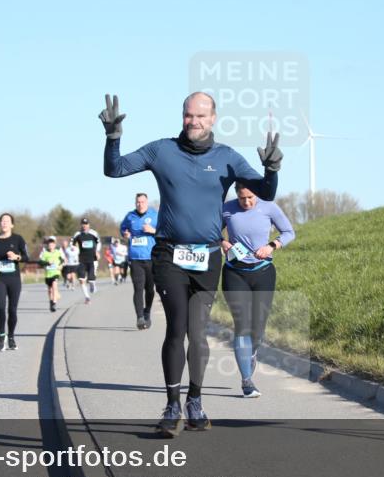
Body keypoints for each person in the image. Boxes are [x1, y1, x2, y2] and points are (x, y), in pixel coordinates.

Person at [102, 91, 282, 437]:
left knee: (198, 333)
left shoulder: (228, 158)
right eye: (188, 115)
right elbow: (115, 169)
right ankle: (172, 406)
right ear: (182, 116)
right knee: (177, 327)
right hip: (169, 254)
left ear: (213, 118)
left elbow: (266, 191)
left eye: (200, 116)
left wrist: (271, 169)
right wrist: (113, 138)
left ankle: (195, 401)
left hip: (208, 257)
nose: (194, 121)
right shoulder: (162, 150)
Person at [220, 184, 295, 398]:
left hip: (263, 272)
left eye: (250, 197)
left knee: (258, 329)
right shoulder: (227, 209)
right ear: (237, 195)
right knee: (242, 325)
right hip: (235, 273)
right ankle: (247, 381)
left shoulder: (269, 207)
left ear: (257, 194)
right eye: (242, 198)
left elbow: (289, 232)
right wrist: (223, 241)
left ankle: (252, 351)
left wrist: (271, 246)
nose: (246, 202)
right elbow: (210, 231)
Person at [0, 212, 28, 351]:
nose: (4, 223)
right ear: (0, 224)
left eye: (7, 221)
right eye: (2, 221)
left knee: (12, 310)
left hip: (14, 279)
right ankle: (1, 335)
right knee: (0, 307)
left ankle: (11, 336)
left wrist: (17, 257)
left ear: (12, 225)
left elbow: (26, 257)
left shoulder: (18, 239)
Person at [120, 192, 158, 330]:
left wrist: (153, 230)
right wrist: (125, 234)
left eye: (142, 202)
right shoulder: (130, 216)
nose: (140, 204)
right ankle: (140, 317)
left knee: (150, 289)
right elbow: (123, 229)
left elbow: (164, 231)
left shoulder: (155, 215)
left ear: (147, 203)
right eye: (138, 202)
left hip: (151, 258)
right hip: (135, 258)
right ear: (135, 203)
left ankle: (147, 311)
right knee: (138, 288)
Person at [71, 218, 100, 305]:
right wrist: (73, 249)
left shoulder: (93, 233)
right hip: (82, 259)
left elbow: (99, 243)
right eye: (83, 224)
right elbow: (72, 244)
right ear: (81, 225)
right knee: (81, 279)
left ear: (89, 225)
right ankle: (87, 297)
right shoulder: (77, 234)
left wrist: (97, 251)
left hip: (92, 259)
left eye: (86, 224)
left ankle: (92, 285)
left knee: (91, 279)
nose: (84, 226)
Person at [39, 236, 64, 312]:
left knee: (54, 286)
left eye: (52, 244)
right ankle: (51, 301)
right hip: (48, 274)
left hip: (56, 272)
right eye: (49, 245)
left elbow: (62, 260)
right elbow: (40, 262)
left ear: (54, 245)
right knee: (50, 290)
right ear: (47, 245)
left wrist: (60, 265)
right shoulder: (45, 253)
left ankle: (54, 303)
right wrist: (47, 263)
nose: (51, 246)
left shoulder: (57, 252)